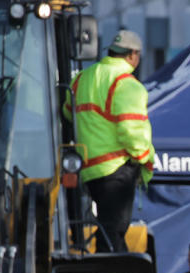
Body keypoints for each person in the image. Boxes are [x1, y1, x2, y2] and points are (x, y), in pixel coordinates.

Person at [63, 29, 154, 252]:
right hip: (117, 169)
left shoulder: (80, 80)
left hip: (89, 170)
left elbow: (67, 113)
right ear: (133, 55)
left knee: (108, 231)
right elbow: (131, 131)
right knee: (113, 235)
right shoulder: (127, 84)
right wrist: (145, 159)